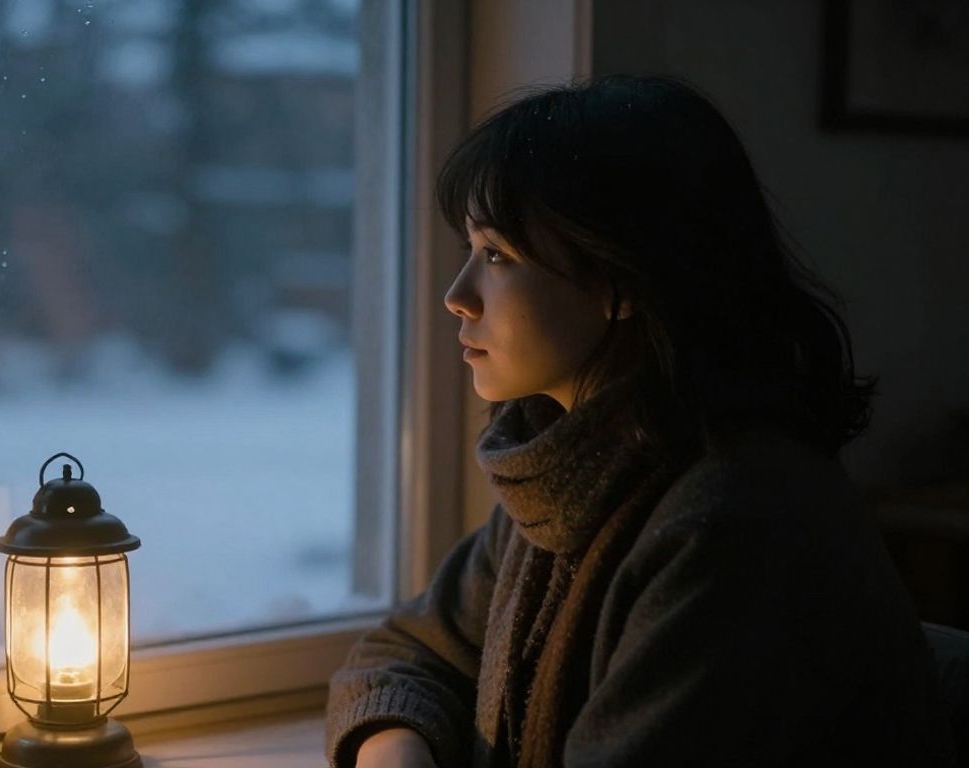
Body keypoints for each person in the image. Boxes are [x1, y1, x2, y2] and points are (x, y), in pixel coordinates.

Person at [324, 75, 956, 767]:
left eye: (497, 256)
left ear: (620, 282)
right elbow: (407, 652)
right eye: (470, 251)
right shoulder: (569, 473)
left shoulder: (732, 525)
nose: (457, 296)